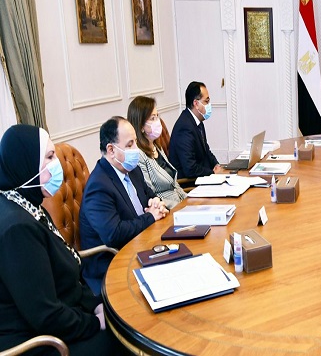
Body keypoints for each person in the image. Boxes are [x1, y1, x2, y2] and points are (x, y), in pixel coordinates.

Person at [0, 125, 124, 355]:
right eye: (49, 157)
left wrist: (96, 304)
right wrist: (94, 322)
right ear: (25, 163)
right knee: (125, 340)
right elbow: (46, 315)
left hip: (66, 314)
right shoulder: (17, 229)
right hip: (39, 342)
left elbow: (66, 275)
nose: (57, 163)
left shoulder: (28, 205)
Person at [80, 116, 168, 294]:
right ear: (111, 150)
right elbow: (114, 234)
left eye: (135, 142)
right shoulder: (98, 186)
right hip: (113, 265)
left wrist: (156, 203)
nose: (136, 149)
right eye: (130, 145)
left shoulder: (132, 170)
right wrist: (151, 217)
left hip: (142, 246)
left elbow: (150, 195)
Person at [127, 96, 187, 209]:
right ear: (141, 126)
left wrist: (188, 200)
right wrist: (180, 206)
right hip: (166, 209)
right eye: (152, 118)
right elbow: (150, 195)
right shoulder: (139, 155)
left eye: (157, 116)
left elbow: (174, 183)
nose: (158, 121)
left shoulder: (155, 146)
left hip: (180, 203)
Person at [169, 81, 227, 178]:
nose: (209, 105)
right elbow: (190, 168)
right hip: (190, 182)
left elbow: (206, 151)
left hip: (202, 176)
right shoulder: (184, 127)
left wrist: (216, 165)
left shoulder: (197, 121)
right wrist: (213, 173)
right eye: (206, 101)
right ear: (196, 103)